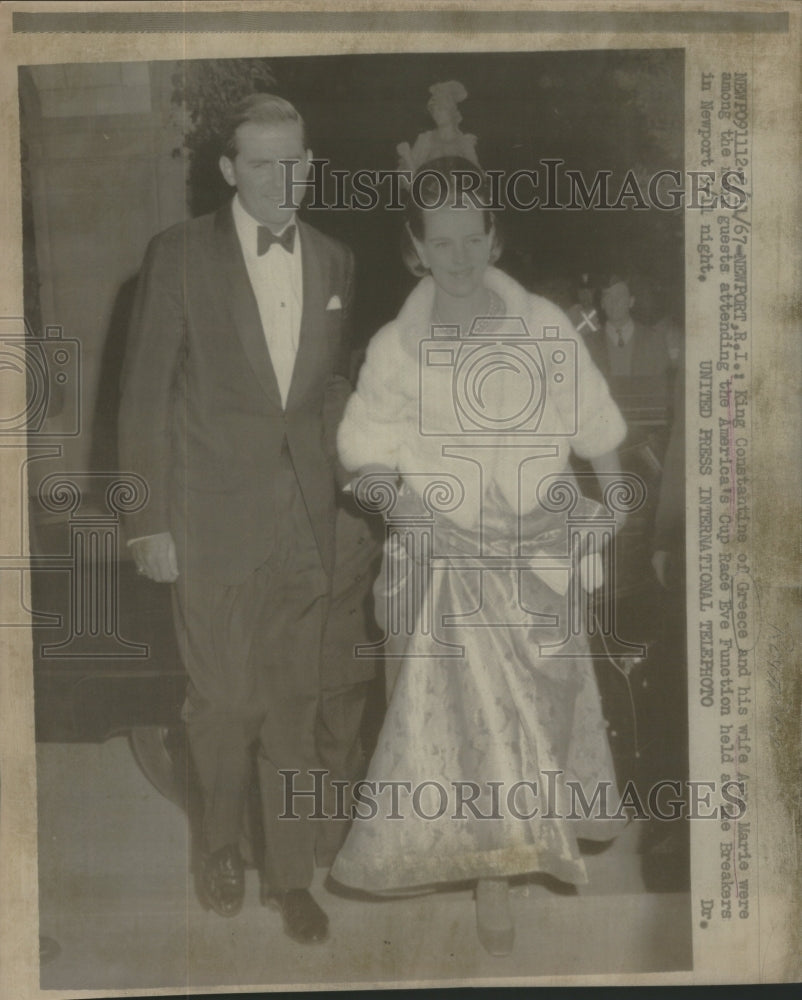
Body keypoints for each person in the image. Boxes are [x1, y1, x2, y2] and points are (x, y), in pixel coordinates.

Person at [330, 158, 628, 957]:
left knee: (533, 726)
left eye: (472, 238)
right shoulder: (395, 346)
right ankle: (490, 875)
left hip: (533, 557)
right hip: (442, 561)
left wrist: (611, 516)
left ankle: (524, 845)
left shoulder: (544, 329)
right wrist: (412, 509)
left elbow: (597, 432)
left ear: (494, 238)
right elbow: (362, 460)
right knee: (457, 730)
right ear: (414, 249)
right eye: (440, 242)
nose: (458, 257)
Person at [118, 93, 357, 944]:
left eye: (297, 161)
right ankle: (218, 843)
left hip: (304, 522)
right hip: (210, 520)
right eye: (263, 162)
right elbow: (142, 396)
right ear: (228, 169)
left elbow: (321, 393)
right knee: (221, 706)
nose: (283, 179)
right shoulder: (178, 255)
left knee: (293, 705)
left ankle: (290, 877)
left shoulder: (333, 260)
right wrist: (147, 523)